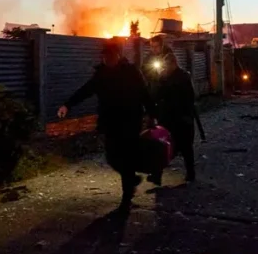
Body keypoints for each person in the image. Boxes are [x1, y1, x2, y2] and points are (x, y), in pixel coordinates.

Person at [58, 41, 154, 212]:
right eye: (105, 56)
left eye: (110, 56)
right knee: (112, 157)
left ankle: (126, 198)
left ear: (118, 55)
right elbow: (85, 90)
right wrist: (67, 104)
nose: (107, 59)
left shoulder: (131, 72)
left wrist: (152, 115)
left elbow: (144, 93)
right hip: (110, 122)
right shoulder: (101, 74)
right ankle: (131, 180)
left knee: (126, 157)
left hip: (130, 121)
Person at [155, 51, 198, 183]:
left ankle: (190, 173)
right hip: (168, 118)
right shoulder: (164, 77)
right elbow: (158, 95)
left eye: (167, 64)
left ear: (174, 64)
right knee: (163, 146)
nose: (166, 67)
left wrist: (186, 114)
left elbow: (190, 97)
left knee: (185, 147)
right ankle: (157, 175)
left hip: (181, 118)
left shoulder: (183, 77)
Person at [143, 35, 174, 101]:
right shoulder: (149, 57)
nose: (154, 49)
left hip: (168, 88)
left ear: (161, 46)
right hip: (154, 86)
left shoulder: (168, 56)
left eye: (156, 46)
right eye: (152, 46)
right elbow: (144, 69)